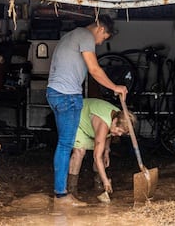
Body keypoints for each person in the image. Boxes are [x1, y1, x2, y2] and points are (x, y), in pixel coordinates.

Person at [46, 14, 128, 207]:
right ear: (100, 29)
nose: (99, 43)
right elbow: (94, 69)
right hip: (67, 95)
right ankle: (61, 195)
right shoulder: (86, 36)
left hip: (55, 92)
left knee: (65, 144)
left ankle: (62, 192)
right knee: (66, 145)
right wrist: (115, 87)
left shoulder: (71, 35)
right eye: (103, 38)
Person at [67, 98, 136, 202]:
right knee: (79, 152)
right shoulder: (104, 123)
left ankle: (98, 186)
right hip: (77, 118)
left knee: (102, 152)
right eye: (119, 131)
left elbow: (108, 134)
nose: (120, 135)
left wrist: (107, 150)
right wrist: (106, 180)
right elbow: (96, 156)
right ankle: (71, 190)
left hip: (92, 124)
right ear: (115, 121)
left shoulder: (119, 116)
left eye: (122, 133)